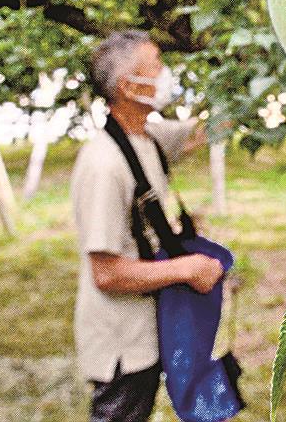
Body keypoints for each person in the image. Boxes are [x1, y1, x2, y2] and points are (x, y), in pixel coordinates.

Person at [71, 30, 225, 422]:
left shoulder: (146, 136)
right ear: (127, 86)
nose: (165, 76)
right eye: (155, 67)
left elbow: (203, 132)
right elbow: (105, 273)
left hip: (152, 325)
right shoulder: (104, 164)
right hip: (122, 338)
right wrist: (187, 267)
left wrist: (242, 83)